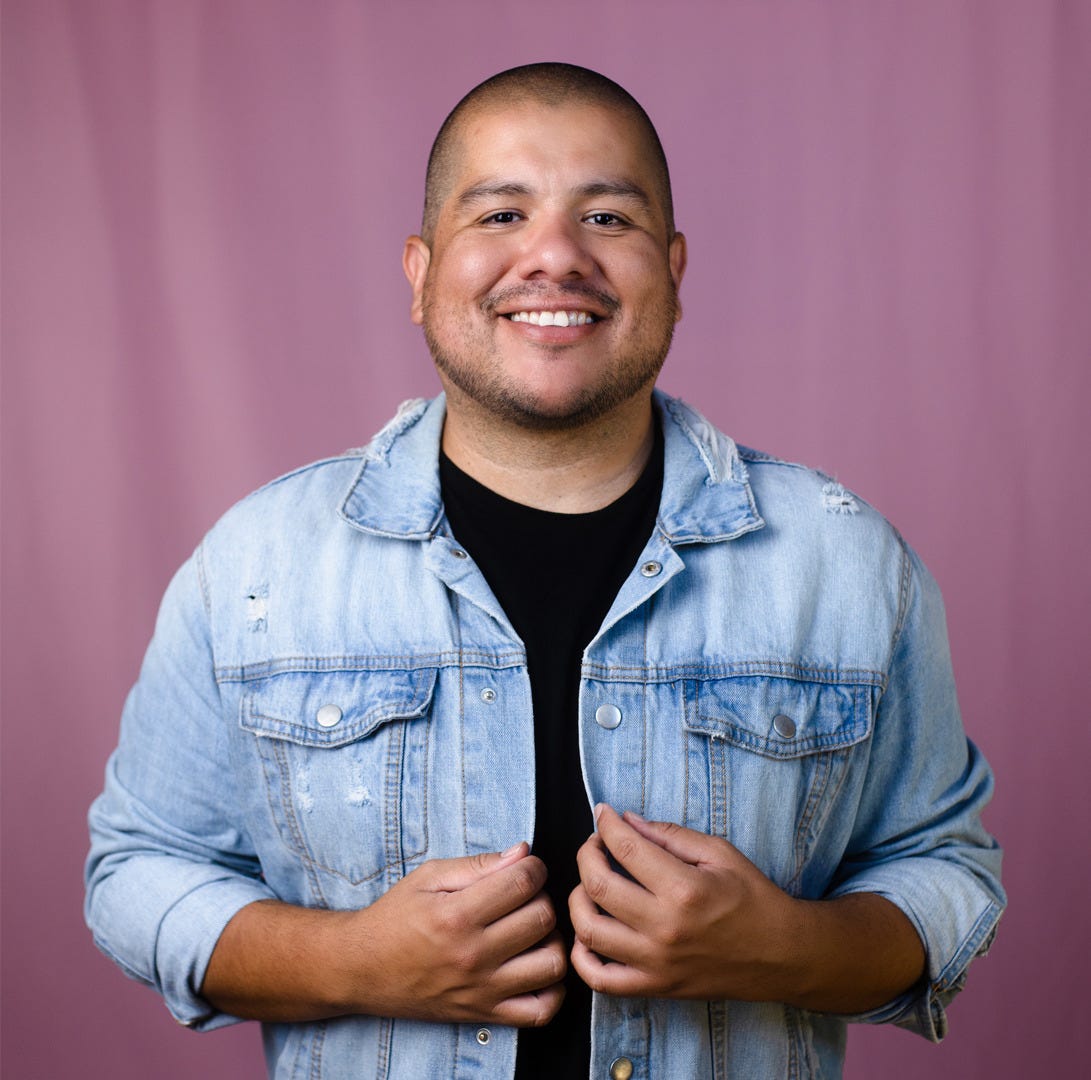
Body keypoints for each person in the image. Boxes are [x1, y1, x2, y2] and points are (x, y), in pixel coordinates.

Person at [85, 62, 1004, 1079]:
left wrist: (786, 948)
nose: (554, 256)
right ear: (420, 273)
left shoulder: (845, 567)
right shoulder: (253, 568)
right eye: (501, 213)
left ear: (674, 268)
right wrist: (353, 963)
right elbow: (137, 875)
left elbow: (942, 873)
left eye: (606, 217)